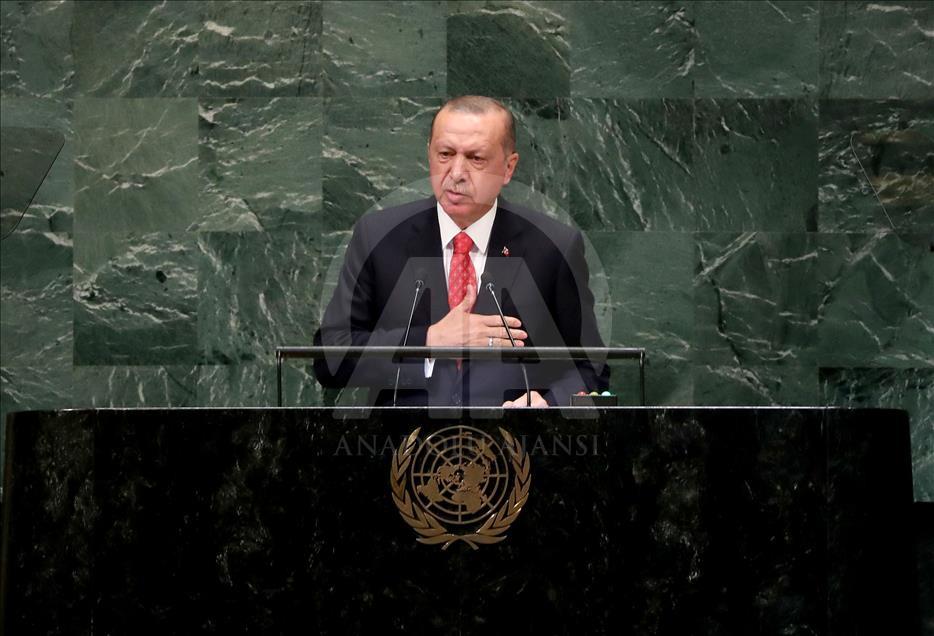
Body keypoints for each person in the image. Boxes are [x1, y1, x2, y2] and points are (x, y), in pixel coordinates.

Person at [313, 96, 608, 407]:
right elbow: (330, 357)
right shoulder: (379, 236)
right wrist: (429, 341)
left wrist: (549, 404)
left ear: (508, 168)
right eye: (445, 154)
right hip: (404, 436)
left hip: (512, 435)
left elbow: (591, 367)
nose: (456, 172)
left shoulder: (553, 246)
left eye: (475, 158)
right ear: (429, 153)